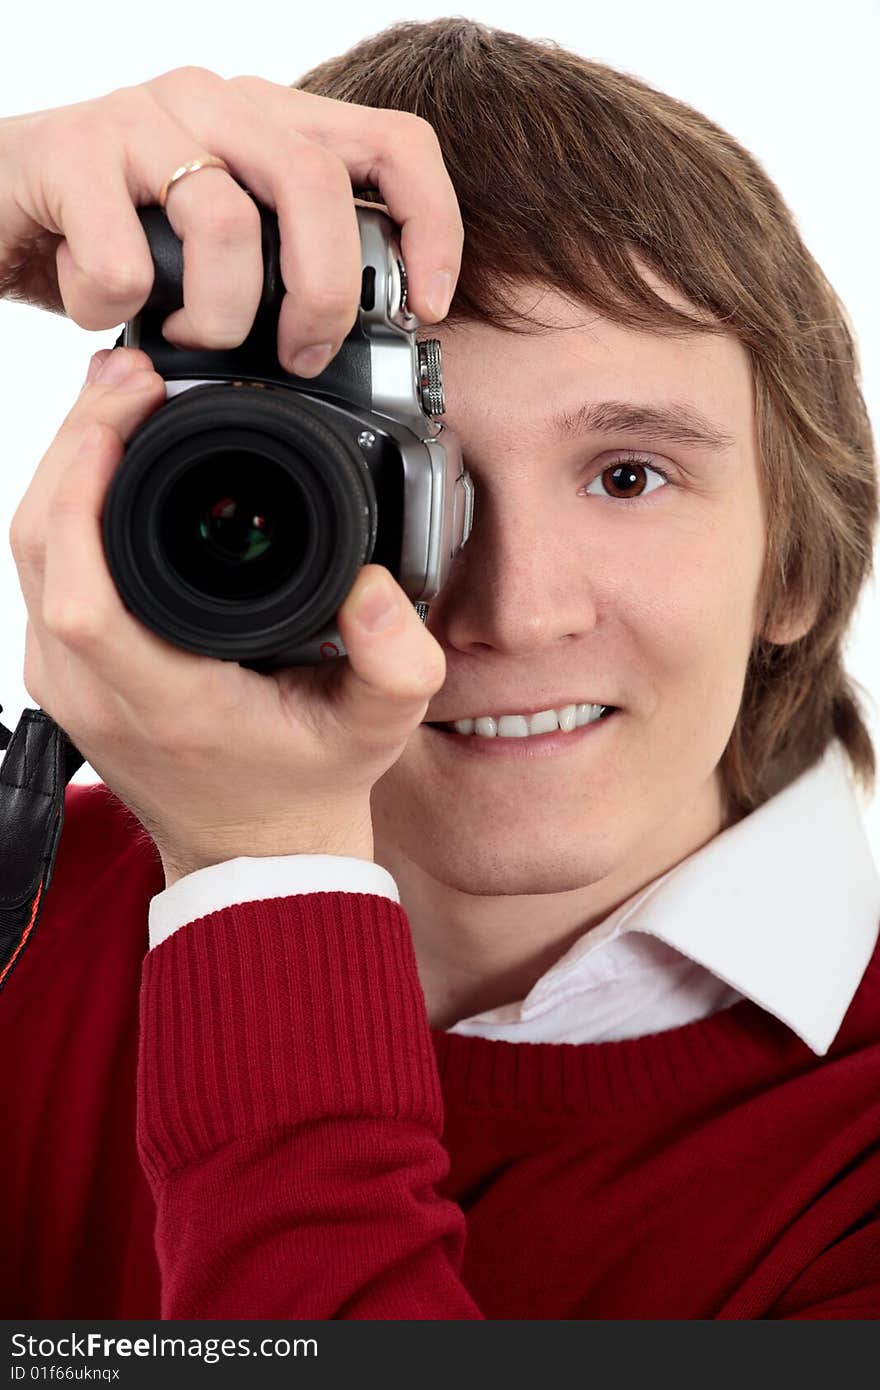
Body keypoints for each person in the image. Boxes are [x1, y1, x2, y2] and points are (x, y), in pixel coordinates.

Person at [1, 17, 878, 1320]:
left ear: (800, 561)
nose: (513, 612)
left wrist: (261, 881)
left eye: (628, 474)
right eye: (405, 479)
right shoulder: (30, 908)